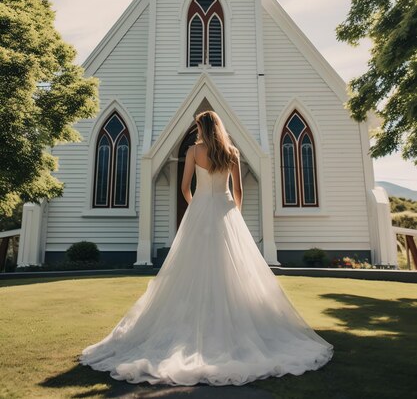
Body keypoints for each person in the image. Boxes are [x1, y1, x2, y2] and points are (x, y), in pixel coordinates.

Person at [79, 110, 333, 385]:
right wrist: (235, 213)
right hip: (226, 212)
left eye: (197, 125)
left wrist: (196, 206)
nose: (196, 129)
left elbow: (185, 186)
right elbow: (238, 191)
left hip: (201, 211)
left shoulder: (193, 151)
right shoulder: (231, 152)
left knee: (192, 268)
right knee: (232, 270)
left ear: (202, 127)